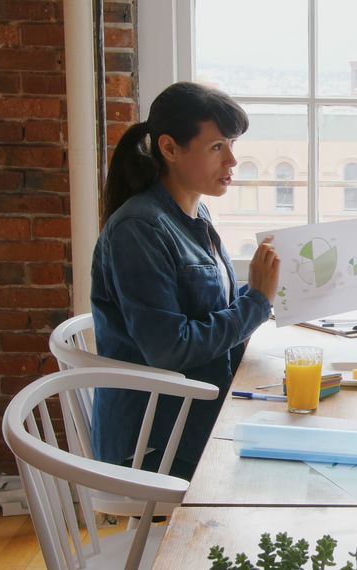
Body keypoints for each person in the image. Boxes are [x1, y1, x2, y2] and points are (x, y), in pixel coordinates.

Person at [90, 82, 281, 479]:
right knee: (289, 467)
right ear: (170, 149)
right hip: (155, 443)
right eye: (216, 147)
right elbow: (170, 350)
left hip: (196, 415)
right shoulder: (139, 229)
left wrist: (265, 292)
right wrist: (256, 303)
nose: (232, 160)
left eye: (231, 144)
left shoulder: (195, 215)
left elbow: (206, 313)